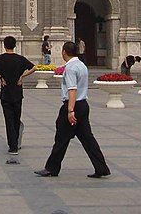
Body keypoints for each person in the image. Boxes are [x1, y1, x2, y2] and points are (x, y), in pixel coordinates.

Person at [35, 41, 111, 179]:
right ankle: (102, 168)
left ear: (64, 52)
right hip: (83, 105)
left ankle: (51, 168)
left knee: (61, 138)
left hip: (73, 105)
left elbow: (72, 89)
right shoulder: (82, 65)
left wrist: (70, 110)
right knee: (88, 139)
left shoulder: (70, 68)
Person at [0, 36, 36, 155]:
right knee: (16, 119)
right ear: (15, 45)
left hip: (5, 93)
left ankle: (12, 146)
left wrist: (0, 77)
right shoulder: (20, 59)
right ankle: (16, 143)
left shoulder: (0, 59)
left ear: (4, 45)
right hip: (18, 93)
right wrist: (22, 76)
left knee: (9, 119)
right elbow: (34, 67)